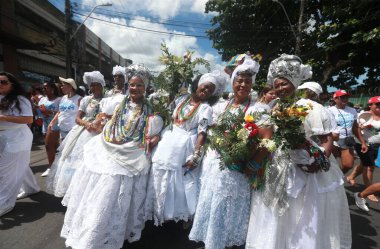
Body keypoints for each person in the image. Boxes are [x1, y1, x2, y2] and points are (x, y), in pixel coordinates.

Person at [246, 55, 351, 249]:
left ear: (294, 83)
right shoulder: (275, 107)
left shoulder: (310, 107)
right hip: (279, 166)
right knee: (276, 216)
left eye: (284, 84)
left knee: (303, 218)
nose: (279, 89)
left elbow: (327, 140)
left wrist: (319, 162)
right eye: (276, 85)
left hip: (306, 169)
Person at [61, 64, 163, 249]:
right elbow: (102, 119)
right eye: (132, 85)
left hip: (132, 152)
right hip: (108, 145)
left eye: (140, 85)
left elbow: (156, 132)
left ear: (145, 88)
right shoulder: (116, 102)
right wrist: (97, 124)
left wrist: (155, 137)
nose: (135, 88)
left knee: (117, 191)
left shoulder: (151, 110)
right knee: (101, 188)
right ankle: (92, 229)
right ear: (127, 86)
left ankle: (114, 231)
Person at [189, 56, 264, 249]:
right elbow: (207, 130)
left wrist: (250, 157)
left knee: (230, 203)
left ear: (252, 85)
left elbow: (264, 140)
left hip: (238, 166)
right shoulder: (219, 106)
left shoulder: (258, 109)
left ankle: (226, 240)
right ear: (232, 83)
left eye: (247, 82)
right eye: (239, 81)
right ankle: (212, 239)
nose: (243, 85)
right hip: (215, 162)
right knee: (212, 198)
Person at [144, 70, 227, 226]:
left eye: (211, 90)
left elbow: (202, 132)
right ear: (198, 84)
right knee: (158, 170)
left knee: (178, 178)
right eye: (205, 86)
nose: (206, 90)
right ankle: (155, 209)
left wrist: (196, 154)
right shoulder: (181, 99)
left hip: (185, 143)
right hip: (169, 137)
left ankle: (173, 214)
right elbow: (170, 118)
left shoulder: (205, 109)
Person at [46, 71, 105, 197]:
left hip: (101, 132)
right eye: (91, 85)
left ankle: (93, 189)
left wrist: (101, 124)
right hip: (84, 132)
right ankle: (76, 188)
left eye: (96, 84)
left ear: (102, 85)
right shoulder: (86, 100)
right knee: (75, 160)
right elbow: (77, 119)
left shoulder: (108, 100)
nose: (94, 87)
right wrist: (87, 124)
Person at [0, 72, 40, 217]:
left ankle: (4, 203)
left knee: (5, 171)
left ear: (12, 84)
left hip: (17, 136)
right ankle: (31, 188)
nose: (0, 85)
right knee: (19, 164)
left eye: (3, 82)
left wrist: (3, 117)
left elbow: (29, 119)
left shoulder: (20, 99)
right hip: (2, 135)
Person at [43, 77, 81, 176]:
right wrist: (52, 122)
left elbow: (82, 114)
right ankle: (68, 172)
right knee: (65, 152)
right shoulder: (63, 98)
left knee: (71, 152)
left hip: (73, 130)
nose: (61, 86)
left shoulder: (79, 99)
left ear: (71, 86)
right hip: (62, 130)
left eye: (64, 85)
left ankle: (73, 173)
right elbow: (60, 112)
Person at [348, 96, 380, 202]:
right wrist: (363, 142)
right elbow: (356, 129)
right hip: (364, 145)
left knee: (364, 164)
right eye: (378, 104)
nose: (379, 107)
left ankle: (351, 177)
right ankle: (369, 191)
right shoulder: (363, 115)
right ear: (370, 105)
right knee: (369, 167)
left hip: (376, 146)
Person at [328, 90, 368, 173]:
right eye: (342, 97)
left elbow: (355, 127)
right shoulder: (329, 110)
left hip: (347, 141)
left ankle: (338, 177)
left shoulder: (352, 110)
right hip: (333, 141)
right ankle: (328, 181)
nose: (345, 99)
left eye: (346, 97)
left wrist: (363, 142)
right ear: (335, 99)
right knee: (328, 165)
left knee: (348, 165)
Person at [39, 82, 62, 177]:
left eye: (46, 88)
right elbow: (40, 112)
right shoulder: (42, 100)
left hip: (56, 125)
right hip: (45, 125)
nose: (44, 90)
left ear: (52, 89)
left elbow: (63, 112)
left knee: (48, 146)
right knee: (54, 147)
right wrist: (42, 112)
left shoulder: (59, 100)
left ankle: (51, 168)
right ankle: (58, 166)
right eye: (43, 88)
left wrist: (51, 111)